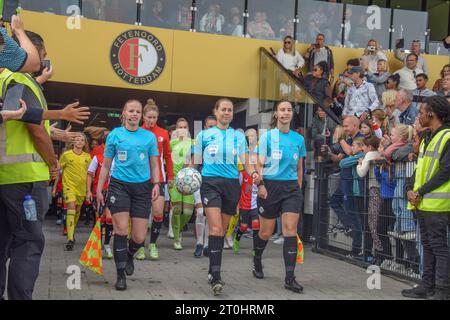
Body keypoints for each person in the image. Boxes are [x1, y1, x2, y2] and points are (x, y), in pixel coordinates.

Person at [0, 30, 65, 300]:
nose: (42, 62)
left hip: (6, 178)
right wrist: (53, 163)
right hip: (24, 180)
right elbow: (34, 129)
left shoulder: (5, 78)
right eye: (41, 56)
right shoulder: (19, 78)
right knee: (27, 243)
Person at [192, 98, 260, 296]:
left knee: (221, 230)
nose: (227, 113)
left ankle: (212, 267)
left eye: (230, 110)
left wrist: (254, 174)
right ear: (216, 111)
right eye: (223, 109)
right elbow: (195, 163)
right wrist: (186, 178)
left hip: (231, 185)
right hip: (210, 182)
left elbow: (246, 163)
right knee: (214, 227)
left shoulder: (238, 137)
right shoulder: (204, 135)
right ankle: (216, 275)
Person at [96, 100, 161, 291]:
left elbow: (155, 164)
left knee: (139, 237)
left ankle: (130, 254)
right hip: (119, 186)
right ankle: (120, 274)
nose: (134, 114)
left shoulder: (148, 137)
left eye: (137, 111)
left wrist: (156, 183)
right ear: (123, 113)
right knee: (121, 229)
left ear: (141, 115)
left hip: (142, 188)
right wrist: (100, 189)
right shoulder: (115, 135)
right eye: (131, 111)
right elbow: (106, 165)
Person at [253, 100, 306, 293]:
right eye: (282, 110)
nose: (286, 113)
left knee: (289, 230)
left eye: (289, 110)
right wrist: (260, 185)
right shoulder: (267, 137)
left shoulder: (298, 139)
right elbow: (258, 165)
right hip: (269, 187)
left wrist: (298, 189)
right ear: (276, 113)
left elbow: (299, 168)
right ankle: (257, 259)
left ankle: (289, 278)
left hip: (291, 188)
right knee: (266, 232)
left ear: (292, 114)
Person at [403, 96, 450, 300]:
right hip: (422, 202)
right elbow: (420, 168)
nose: (419, 116)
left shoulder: (447, 137)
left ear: (432, 114)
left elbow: (445, 171)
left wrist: (419, 191)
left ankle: (442, 289)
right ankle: (428, 285)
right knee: (429, 246)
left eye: (421, 112)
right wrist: (409, 187)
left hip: (438, 203)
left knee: (438, 247)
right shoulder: (428, 138)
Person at [140, 99, 174, 260]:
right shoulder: (138, 131)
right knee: (141, 214)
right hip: (139, 179)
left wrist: (171, 176)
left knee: (158, 212)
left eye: (154, 117)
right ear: (143, 117)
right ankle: (139, 246)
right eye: (149, 117)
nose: (151, 120)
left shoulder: (163, 133)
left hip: (158, 179)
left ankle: (152, 244)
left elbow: (167, 156)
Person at [328, 116, 364, 258]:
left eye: (347, 126)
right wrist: (330, 153)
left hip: (351, 182)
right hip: (345, 179)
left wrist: (340, 139)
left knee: (354, 214)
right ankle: (348, 226)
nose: (344, 128)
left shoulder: (359, 138)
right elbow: (341, 158)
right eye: (343, 126)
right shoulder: (349, 139)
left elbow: (350, 153)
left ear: (355, 126)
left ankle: (356, 249)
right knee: (334, 202)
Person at [52, 134, 91, 250]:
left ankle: (71, 230)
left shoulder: (88, 157)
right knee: (71, 208)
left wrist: (89, 190)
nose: (79, 142)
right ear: (73, 142)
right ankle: (70, 238)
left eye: (82, 140)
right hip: (69, 187)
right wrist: (54, 187)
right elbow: (59, 172)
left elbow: (90, 175)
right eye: (77, 140)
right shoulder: (66, 155)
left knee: (77, 211)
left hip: (81, 189)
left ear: (84, 143)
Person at [168, 118, 194, 250]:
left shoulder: (193, 143)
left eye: (185, 127)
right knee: (177, 210)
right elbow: (166, 160)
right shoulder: (171, 143)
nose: (182, 129)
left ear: (188, 129)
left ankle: (178, 229)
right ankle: (177, 238)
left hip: (189, 181)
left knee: (188, 212)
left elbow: (197, 159)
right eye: (180, 127)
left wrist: (190, 165)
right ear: (176, 130)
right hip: (174, 181)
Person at [193, 115, 217, 258]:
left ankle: (207, 244)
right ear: (204, 128)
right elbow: (193, 160)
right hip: (199, 179)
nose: (212, 129)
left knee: (210, 214)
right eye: (209, 126)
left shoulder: (222, 142)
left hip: (214, 182)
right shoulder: (199, 141)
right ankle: (199, 243)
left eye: (215, 126)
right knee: (201, 212)